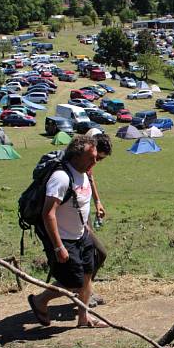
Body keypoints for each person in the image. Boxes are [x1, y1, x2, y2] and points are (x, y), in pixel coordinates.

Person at [28, 133, 111, 328]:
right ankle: (40, 300)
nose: (95, 162)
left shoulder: (83, 172)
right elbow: (48, 213)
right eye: (92, 157)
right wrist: (58, 246)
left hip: (82, 234)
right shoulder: (61, 177)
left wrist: (96, 205)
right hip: (65, 238)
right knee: (73, 282)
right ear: (77, 156)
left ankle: (84, 318)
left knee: (87, 275)